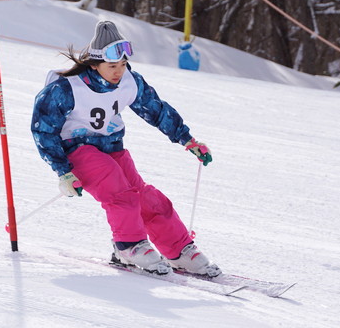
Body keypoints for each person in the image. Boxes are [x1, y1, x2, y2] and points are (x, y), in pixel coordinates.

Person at [31, 21, 220, 276]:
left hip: (111, 147)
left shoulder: (129, 81)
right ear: (94, 64)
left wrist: (187, 139)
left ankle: (179, 249)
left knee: (144, 195)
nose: (118, 71)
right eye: (112, 66)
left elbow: (156, 109)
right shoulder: (67, 88)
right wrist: (62, 171)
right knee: (117, 186)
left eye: (122, 64)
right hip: (76, 149)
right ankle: (128, 246)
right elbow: (43, 128)